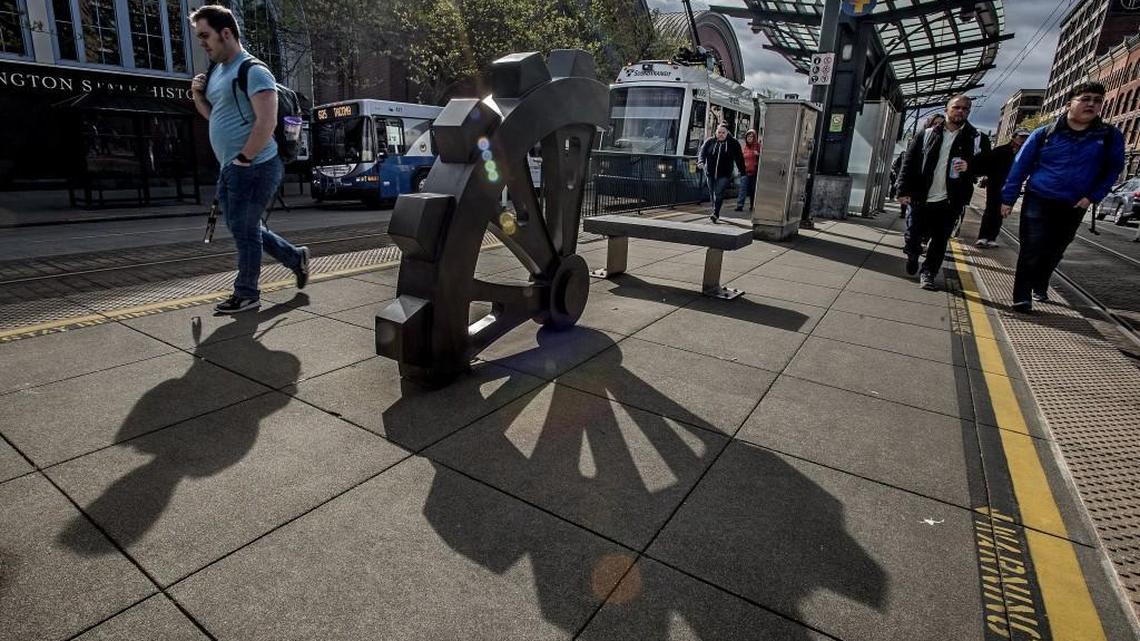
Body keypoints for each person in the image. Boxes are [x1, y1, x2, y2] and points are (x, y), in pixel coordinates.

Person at [190, 4, 309, 314]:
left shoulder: (254, 70)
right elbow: (216, 117)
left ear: (226, 33)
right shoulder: (217, 72)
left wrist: (244, 157)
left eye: (206, 36)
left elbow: (266, 122)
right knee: (243, 226)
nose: (202, 42)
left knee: (245, 230)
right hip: (232, 166)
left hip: (257, 165)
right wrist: (198, 97)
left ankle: (246, 294)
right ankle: (295, 258)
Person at [1001, 81, 1125, 312]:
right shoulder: (1044, 133)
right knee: (1032, 247)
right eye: (1085, 99)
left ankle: (1041, 281)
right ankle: (1021, 296)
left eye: (1097, 100)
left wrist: (1092, 197)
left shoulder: (1110, 136)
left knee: (1055, 250)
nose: (1092, 104)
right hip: (1039, 197)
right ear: (1070, 103)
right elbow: (1020, 166)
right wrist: (1008, 198)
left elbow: (1112, 170)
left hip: (1075, 203)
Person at [896, 96, 989, 290]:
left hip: (951, 201)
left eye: (965, 109)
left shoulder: (977, 138)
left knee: (940, 239)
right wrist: (902, 190)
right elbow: (909, 163)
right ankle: (912, 253)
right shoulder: (928, 133)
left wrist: (970, 166)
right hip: (922, 197)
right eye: (956, 107)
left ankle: (928, 273)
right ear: (947, 110)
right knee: (913, 235)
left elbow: (986, 166)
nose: (961, 111)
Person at [974, 127, 1029, 248]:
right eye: (1021, 137)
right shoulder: (1000, 150)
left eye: (1025, 137)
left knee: (1001, 212)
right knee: (990, 209)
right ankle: (983, 236)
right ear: (1014, 137)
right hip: (996, 184)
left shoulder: (1026, 153)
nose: (1023, 140)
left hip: (1011, 186)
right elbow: (987, 164)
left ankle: (992, 237)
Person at [698, 124, 745, 223]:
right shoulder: (710, 141)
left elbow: (739, 158)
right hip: (710, 173)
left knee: (718, 192)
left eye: (723, 132)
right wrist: (701, 161)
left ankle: (715, 213)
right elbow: (702, 152)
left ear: (727, 133)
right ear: (716, 132)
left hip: (724, 174)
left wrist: (742, 171)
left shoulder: (733, 143)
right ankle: (715, 210)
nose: (721, 134)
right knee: (712, 193)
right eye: (719, 132)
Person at [735, 129, 760, 211]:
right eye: (748, 136)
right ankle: (740, 205)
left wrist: (758, 155)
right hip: (745, 171)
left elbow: (763, 158)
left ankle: (752, 205)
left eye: (751, 136)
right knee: (743, 188)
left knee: (752, 190)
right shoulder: (744, 147)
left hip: (754, 172)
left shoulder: (758, 146)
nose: (749, 138)